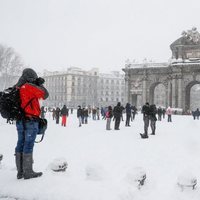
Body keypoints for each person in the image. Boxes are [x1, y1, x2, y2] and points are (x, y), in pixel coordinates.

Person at [15, 68, 49, 179]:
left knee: (21, 143)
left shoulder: (18, 86)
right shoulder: (28, 86)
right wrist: (39, 84)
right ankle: (28, 172)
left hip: (20, 121)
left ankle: (20, 171)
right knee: (28, 144)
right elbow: (45, 94)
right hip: (30, 120)